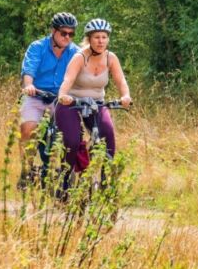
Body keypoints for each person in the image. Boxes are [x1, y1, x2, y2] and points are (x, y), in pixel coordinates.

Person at [55, 18, 132, 171]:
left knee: (107, 136)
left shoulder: (111, 58)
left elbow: (121, 80)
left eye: (104, 37)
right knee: (72, 141)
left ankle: (106, 183)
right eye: (97, 37)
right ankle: (64, 181)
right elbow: (67, 80)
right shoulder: (79, 57)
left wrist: (125, 96)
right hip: (71, 104)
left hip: (97, 104)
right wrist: (63, 95)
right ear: (89, 39)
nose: (101, 41)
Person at [19, 12, 80, 184]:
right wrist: (29, 85)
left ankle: (67, 175)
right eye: (63, 33)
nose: (67, 37)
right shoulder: (37, 47)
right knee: (28, 128)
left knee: (72, 134)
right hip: (37, 95)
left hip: (61, 99)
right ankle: (26, 171)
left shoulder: (76, 53)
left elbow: (80, 76)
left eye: (71, 34)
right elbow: (29, 69)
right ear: (53, 31)